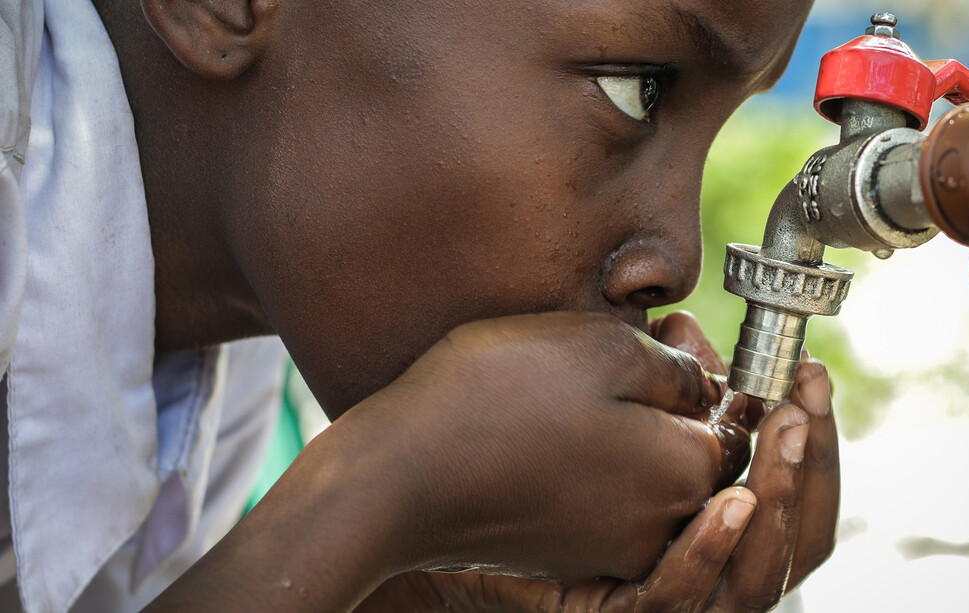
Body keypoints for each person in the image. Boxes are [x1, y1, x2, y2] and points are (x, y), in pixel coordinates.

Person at [0, 0, 840, 610]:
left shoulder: (228, 348)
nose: (677, 264)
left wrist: (406, 588)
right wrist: (384, 493)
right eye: (635, 89)